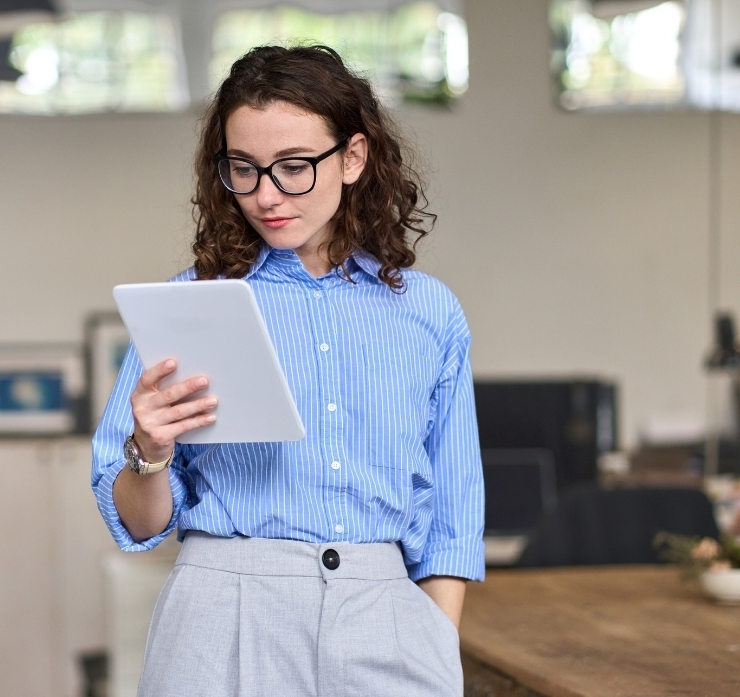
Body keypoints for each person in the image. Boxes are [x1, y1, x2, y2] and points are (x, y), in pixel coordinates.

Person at [92, 45, 484, 697]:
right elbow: (136, 519)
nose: (265, 195)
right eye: (242, 169)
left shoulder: (430, 313)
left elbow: (451, 514)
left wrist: (435, 644)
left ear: (353, 157)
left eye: (294, 167)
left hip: (385, 614)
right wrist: (150, 451)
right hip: (221, 617)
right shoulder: (192, 303)